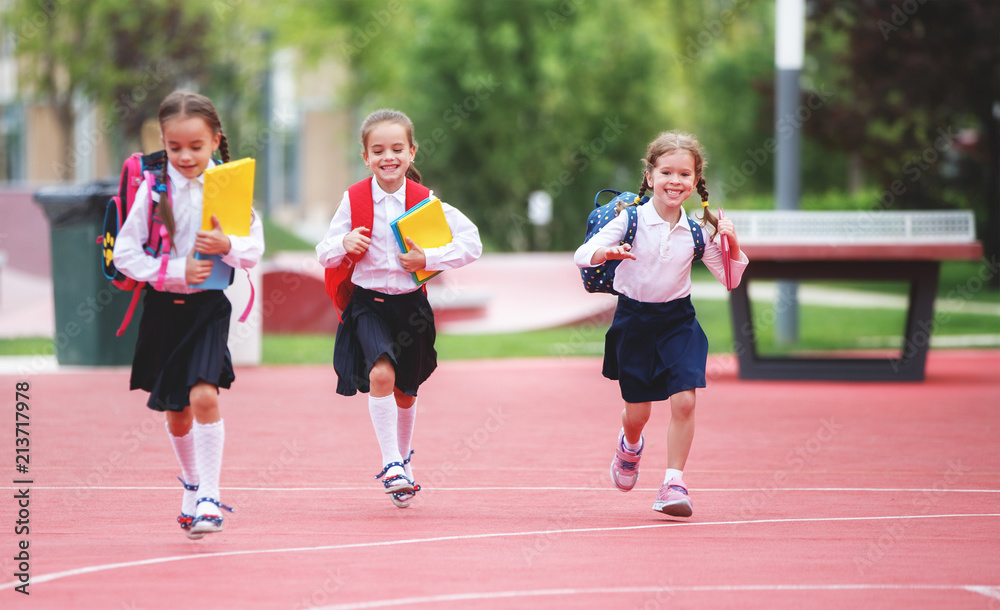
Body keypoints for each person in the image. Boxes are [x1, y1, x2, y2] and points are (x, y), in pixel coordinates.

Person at [113, 90, 265, 538]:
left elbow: (253, 250)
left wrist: (228, 246)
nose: (184, 156)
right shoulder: (152, 188)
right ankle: (192, 482)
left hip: (208, 310)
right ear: (162, 141)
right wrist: (176, 269)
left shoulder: (231, 187)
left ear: (216, 141)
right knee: (176, 412)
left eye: (195, 146)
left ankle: (210, 498)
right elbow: (125, 254)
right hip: (163, 309)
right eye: (174, 146)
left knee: (204, 397)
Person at [574, 130, 748, 517]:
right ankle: (630, 445)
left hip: (678, 321)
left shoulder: (700, 230)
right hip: (634, 321)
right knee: (638, 413)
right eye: (666, 172)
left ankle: (673, 483)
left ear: (695, 181)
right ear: (650, 176)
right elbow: (582, 254)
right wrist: (607, 251)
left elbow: (731, 279)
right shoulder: (629, 219)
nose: (675, 181)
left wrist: (732, 244)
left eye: (684, 174)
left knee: (685, 399)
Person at [316, 109, 482, 508]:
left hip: (410, 308)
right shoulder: (352, 199)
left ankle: (403, 460)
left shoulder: (426, 201)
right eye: (378, 150)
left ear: (411, 152)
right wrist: (344, 245)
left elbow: (472, 243)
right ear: (365, 156)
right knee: (381, 373)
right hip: (367, 305)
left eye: (396, 148)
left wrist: (429, 257)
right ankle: (390, 463)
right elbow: (323, 251)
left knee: (407, 391)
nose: (387, 157)